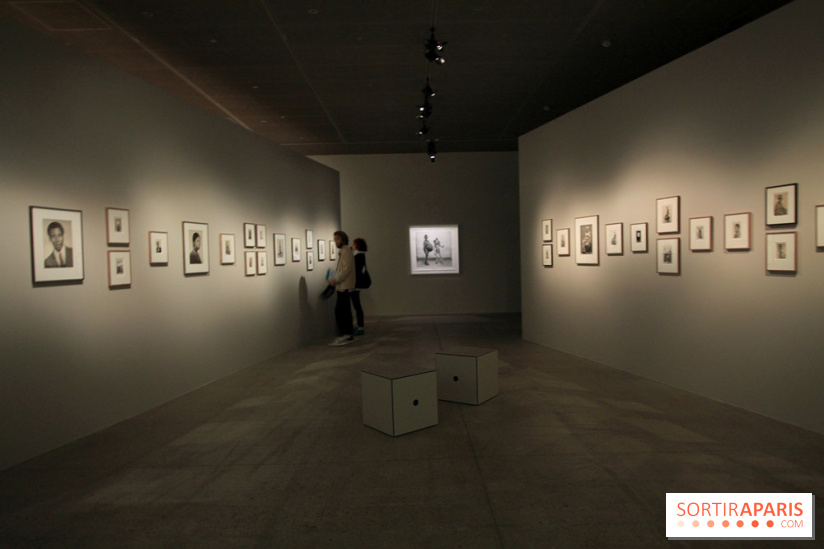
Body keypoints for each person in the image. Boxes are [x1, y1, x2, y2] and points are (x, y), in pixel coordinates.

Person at [328, 230, 355, 346]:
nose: (335, 242)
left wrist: (335, 279)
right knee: (344, 311)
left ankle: (344, 335)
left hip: (344, 287)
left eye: (337, 239)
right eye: (334, 239)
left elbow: (345, 270)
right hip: (343, 286)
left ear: (343, 239)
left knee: (340, 311)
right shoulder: (344, 252)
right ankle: (348, 334)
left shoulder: (346, 252)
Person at [351, 238, 370, 336]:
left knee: (357, 306)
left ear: (357, 245)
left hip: (355, 284)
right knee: (357, 305)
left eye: (354, 244)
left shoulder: (357, 256)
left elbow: (354, 271)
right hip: (357, 284)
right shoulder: (361, 255)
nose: (352, 246)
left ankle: (360, 327)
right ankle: (359, 326)